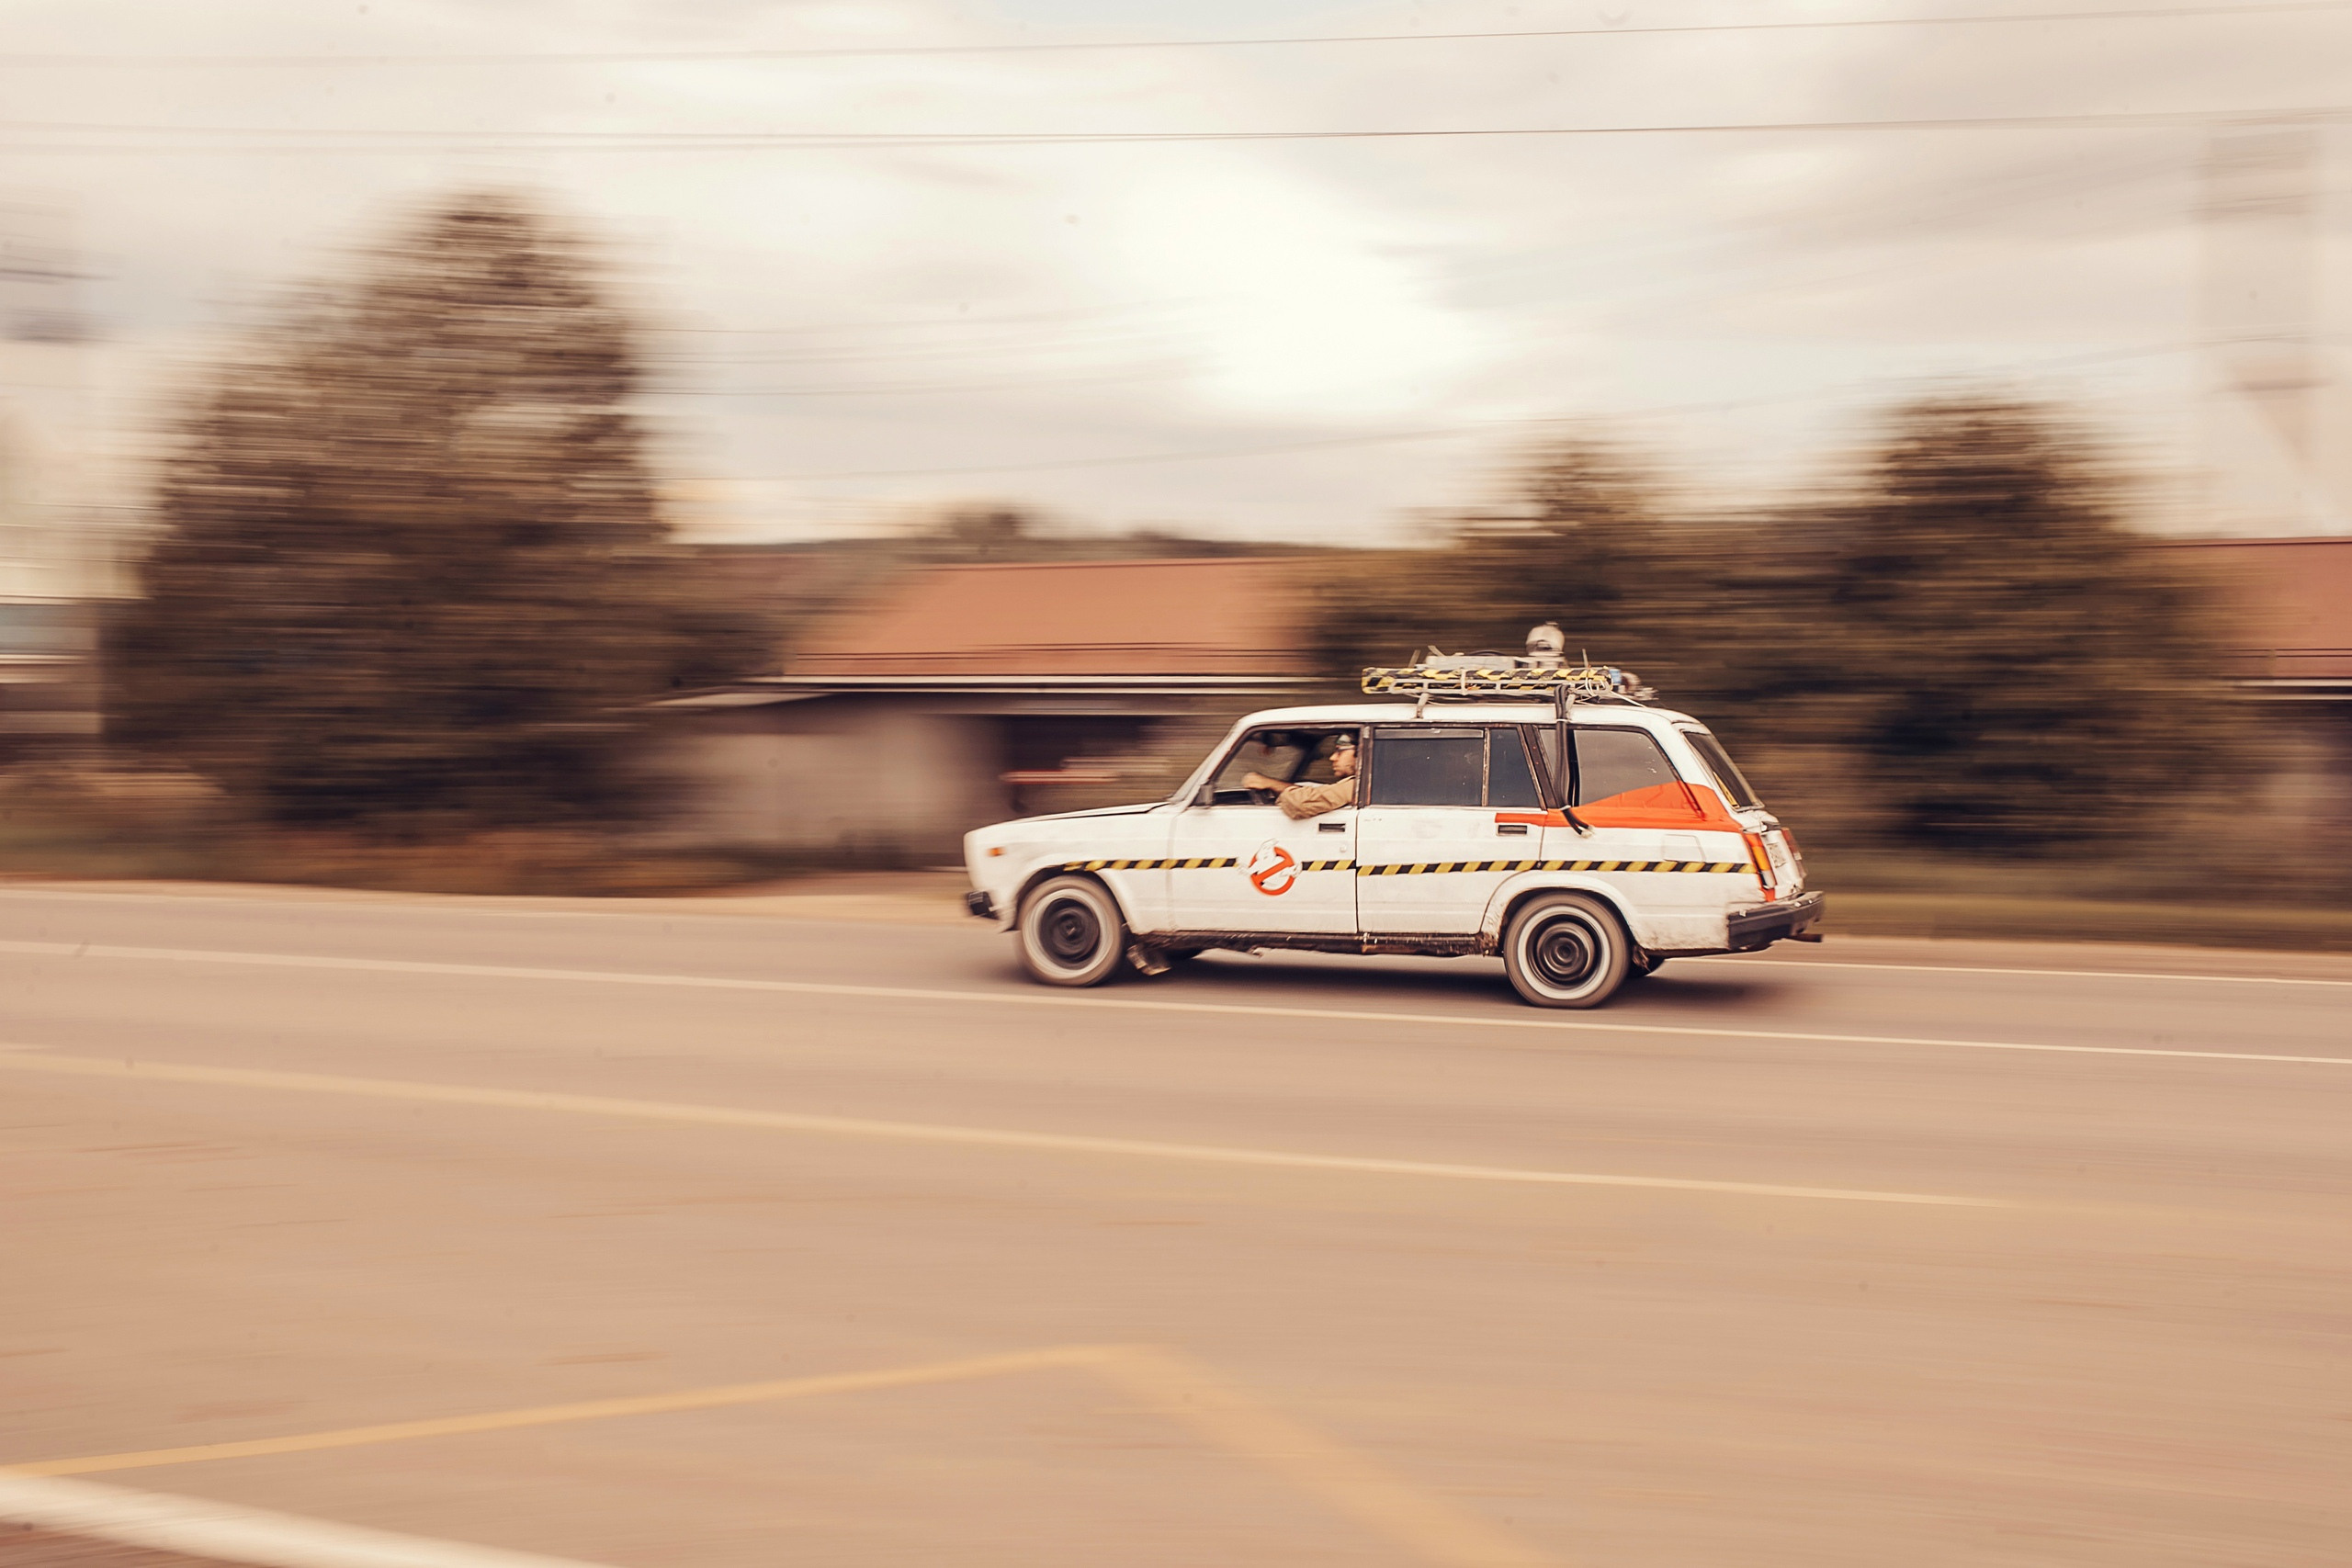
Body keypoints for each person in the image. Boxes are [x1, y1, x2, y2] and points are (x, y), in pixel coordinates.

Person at [1244, 736, 1357, 820]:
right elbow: (1320, 794)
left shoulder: (1355, 786)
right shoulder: (1357, 785)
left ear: (1360, 752)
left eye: (1340, 751)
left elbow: (1302, 803)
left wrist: (1270, 784)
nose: (1333, 757)